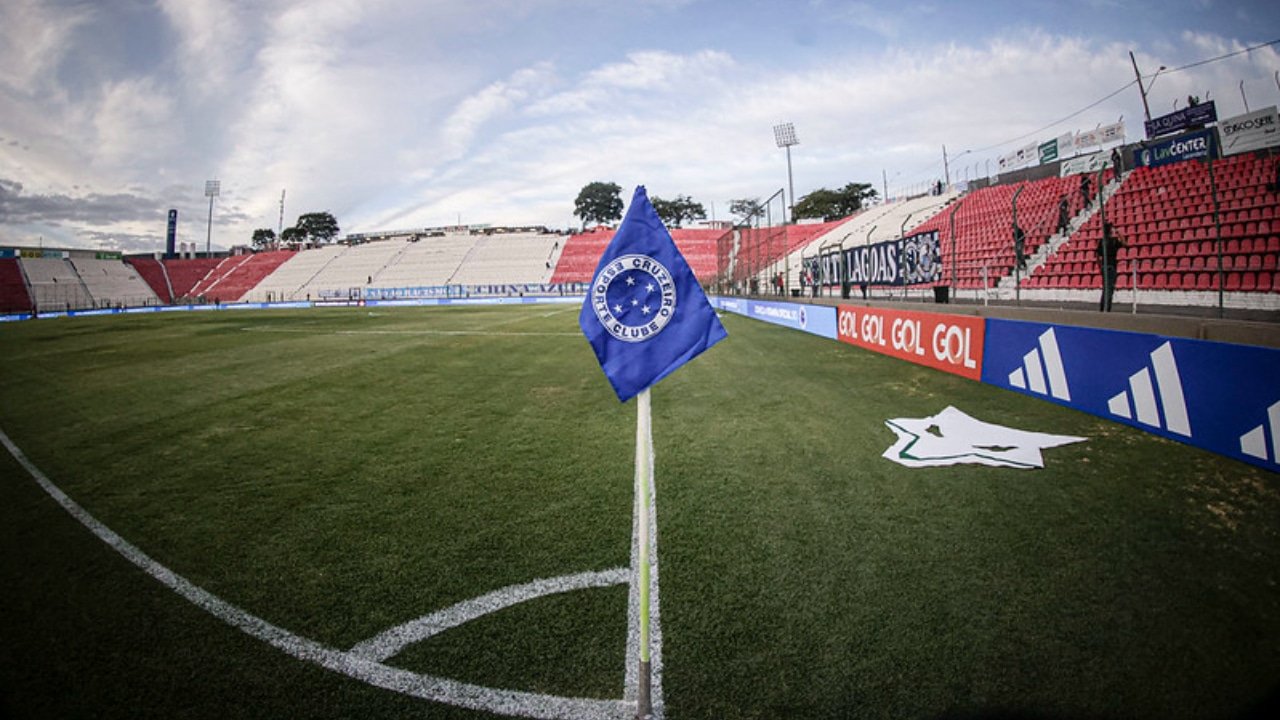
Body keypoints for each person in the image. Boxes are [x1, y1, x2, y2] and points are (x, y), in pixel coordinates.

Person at [1097, 222, 1125, 312]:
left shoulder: (1102, 241)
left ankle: (1102, 307)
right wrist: (1119, 233)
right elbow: (1125, 244)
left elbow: (1097, 255)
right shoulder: (1114, 241)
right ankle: (1107, 308)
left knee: (1105, 288)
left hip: (1104, 266)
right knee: (1109, 289)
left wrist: (1099, 266)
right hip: (1111, 266)